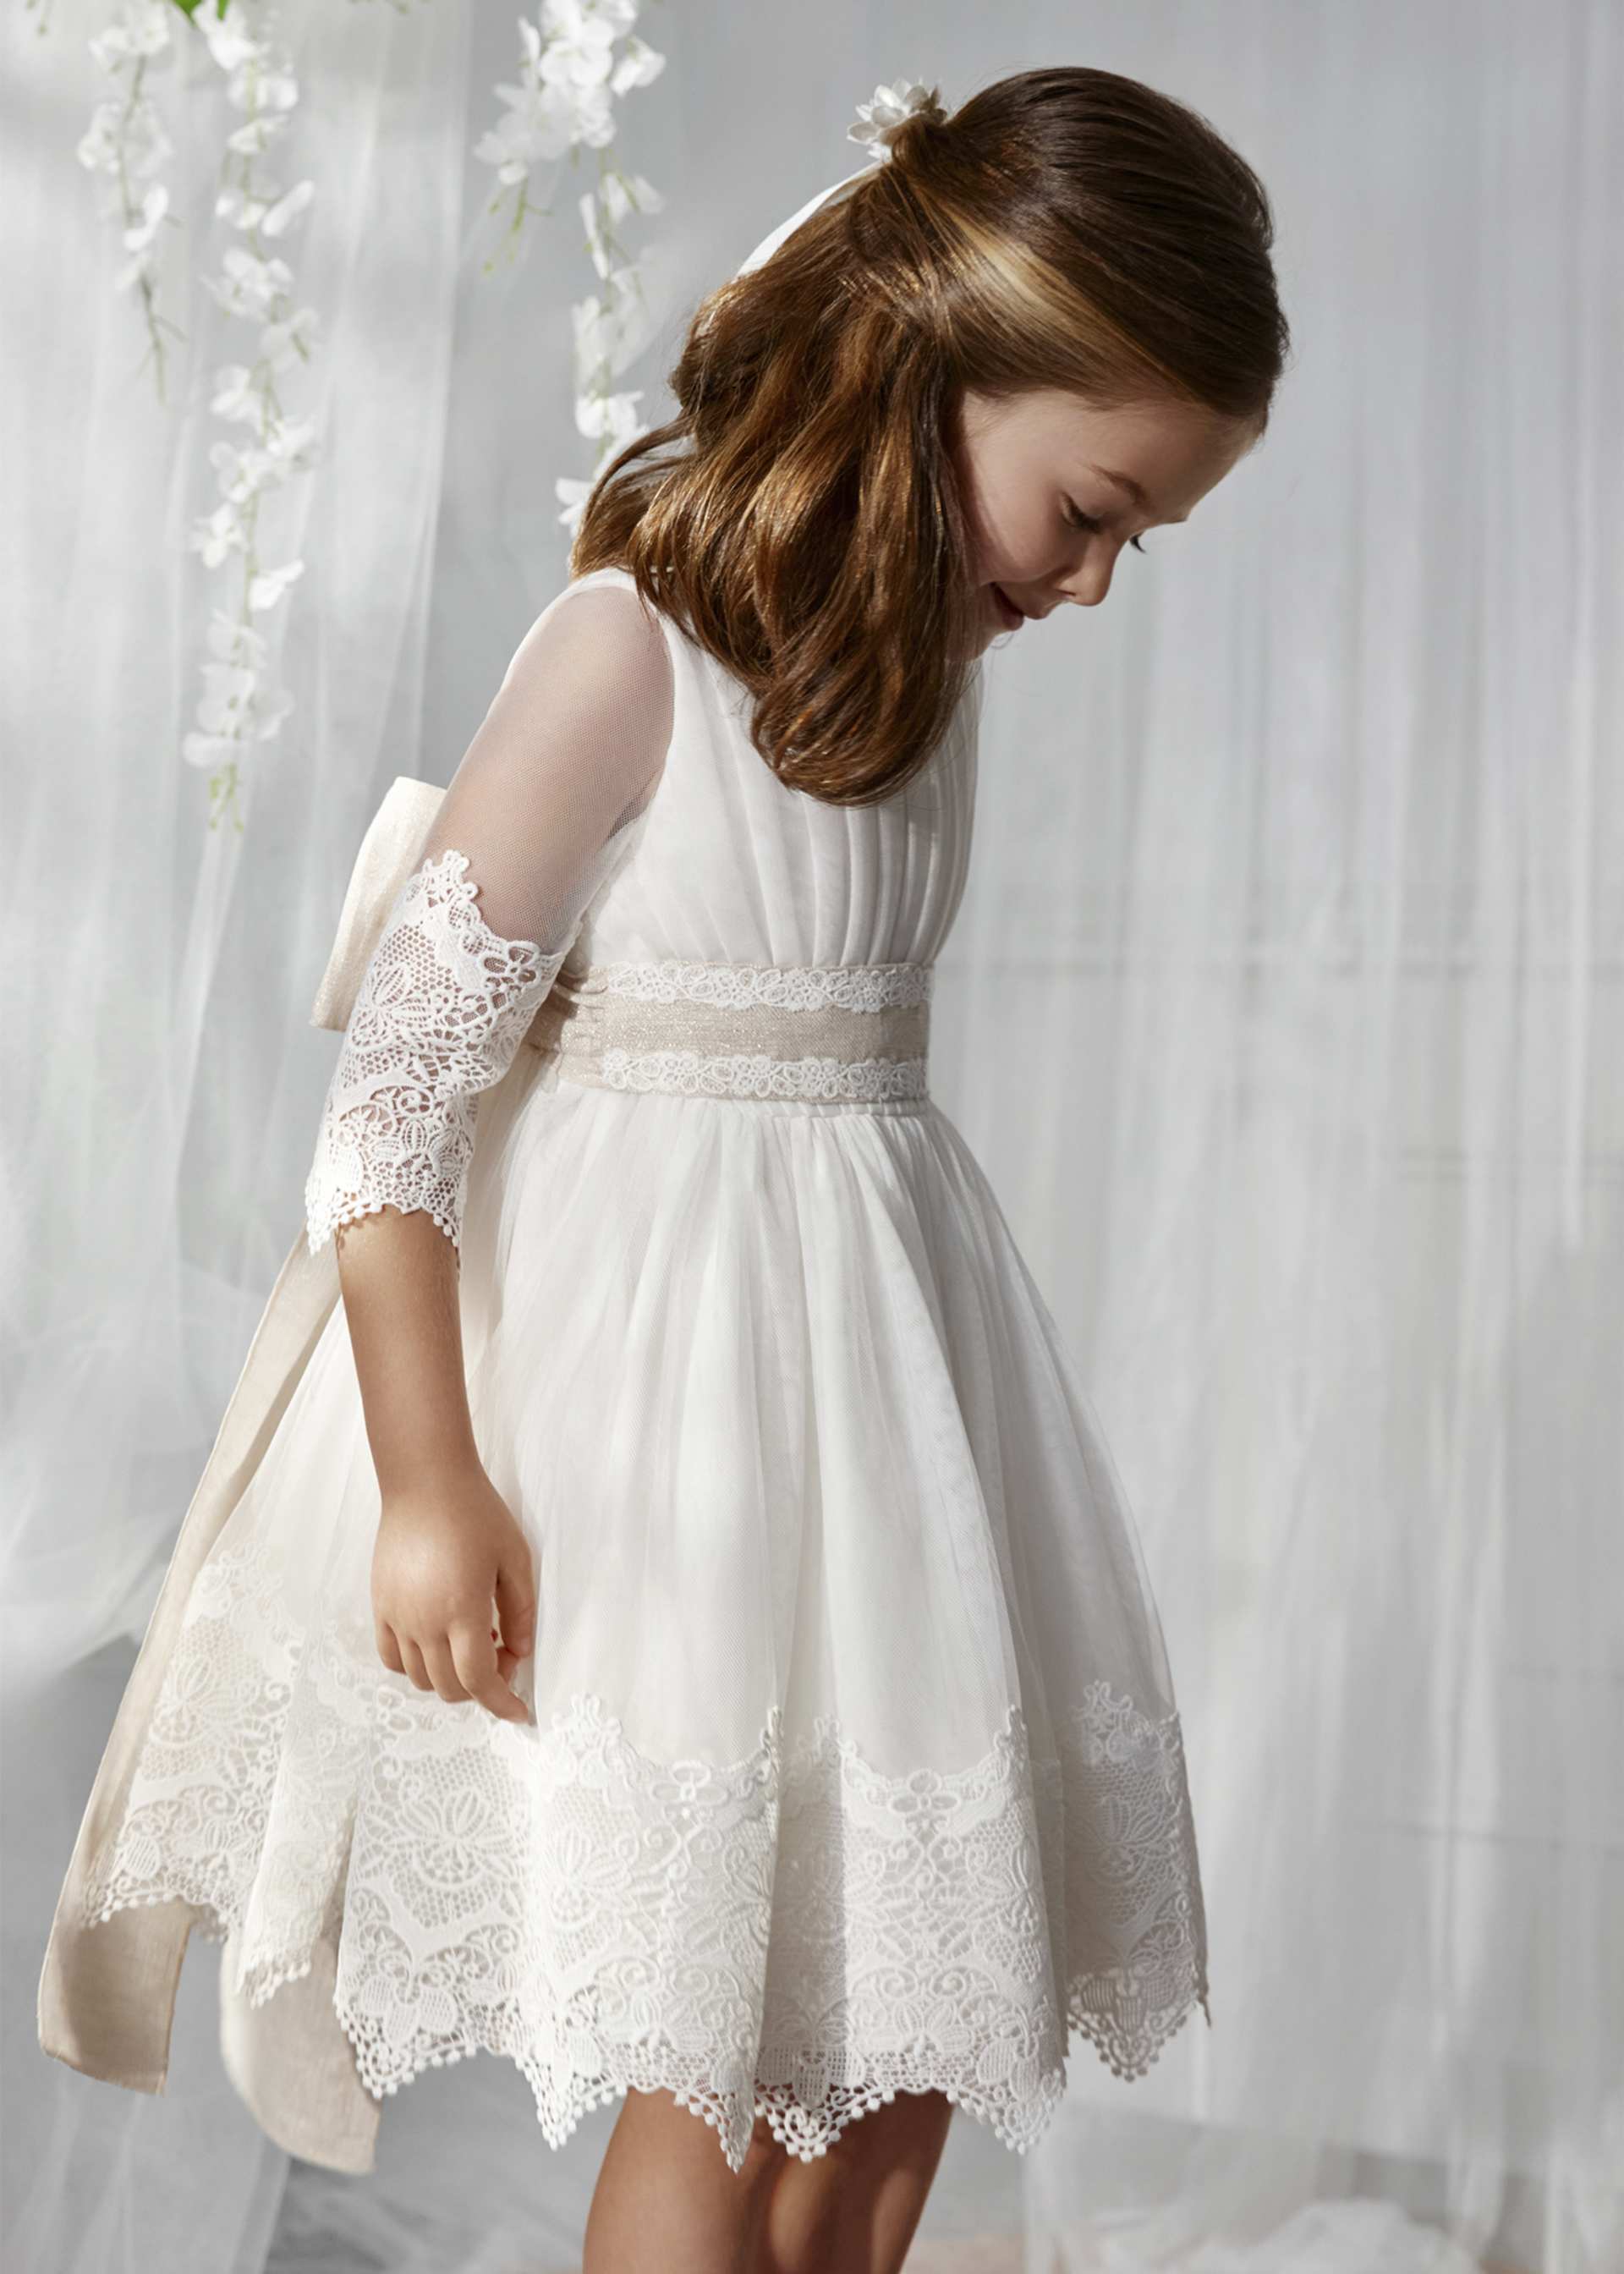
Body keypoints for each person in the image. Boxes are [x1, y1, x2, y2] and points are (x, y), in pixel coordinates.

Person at [39, 63, 1287, 2274]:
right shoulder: (631, 655)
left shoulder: (914, 690)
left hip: (887, 1441)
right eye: (1092, 510)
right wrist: (429, 1476)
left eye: (1137, 542)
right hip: (679, 1450)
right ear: (939, 370)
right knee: (725, 2049)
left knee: (901, 2059)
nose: (1096, 581)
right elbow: (396, 1105)